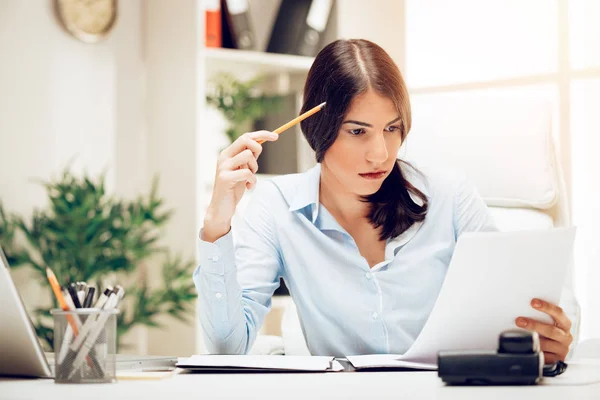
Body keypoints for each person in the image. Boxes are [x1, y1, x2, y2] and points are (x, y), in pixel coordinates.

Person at [194, 39, 574, 364]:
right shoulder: (275, 207)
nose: (380, 154)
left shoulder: (450, 196)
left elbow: (520, 304)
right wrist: (217, 222)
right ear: (318, 130)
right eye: (358, 131)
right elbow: (228, 347)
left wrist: (549, 338)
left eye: (392, 129)